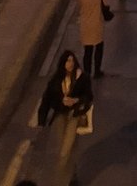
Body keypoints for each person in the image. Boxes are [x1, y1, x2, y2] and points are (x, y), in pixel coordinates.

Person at [36, 49, 92, 186]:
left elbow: (89, 96)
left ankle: (61, 181)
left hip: (75, 115)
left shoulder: (82, 78)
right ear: (63, 63)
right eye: (68, 60)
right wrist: (42, 120)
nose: (70, 63)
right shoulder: (56, 80)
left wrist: (76, 100)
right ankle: (72, 176)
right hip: (60, 115)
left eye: (72, 60)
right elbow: (47, 100)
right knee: (66, 147)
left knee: (64, 152)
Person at [76, 0, 106, 79]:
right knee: (98, 48)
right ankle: (97, 70)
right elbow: (106, 6)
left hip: (85, 25)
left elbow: (79, 5)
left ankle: (87, 72)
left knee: (87, 51)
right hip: (97, 24)